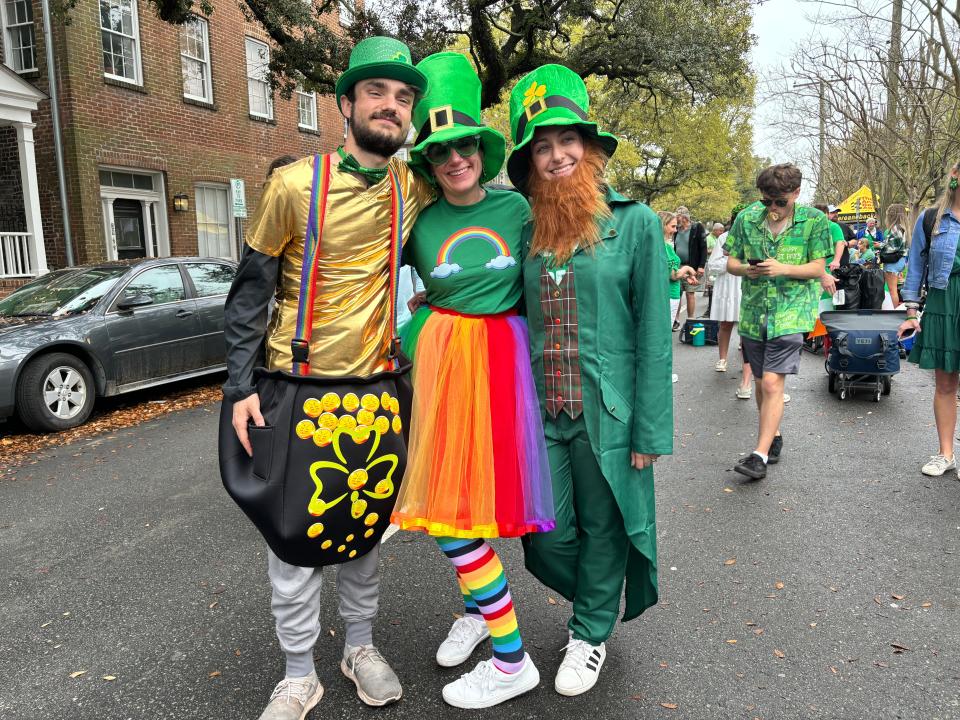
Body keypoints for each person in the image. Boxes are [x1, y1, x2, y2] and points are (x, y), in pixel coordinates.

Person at [221, 37, 435, 720]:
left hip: (376, 392)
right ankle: (297, 674)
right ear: (346, 102)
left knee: (366, 538)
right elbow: (250, 292)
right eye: (377, 92)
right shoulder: (292, 185)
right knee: (293, 542)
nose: (391, 106)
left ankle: (360, 648)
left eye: (403, 98)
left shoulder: (416, 189)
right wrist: (238, 386)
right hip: (295, 390)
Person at [389, 52, 552, 709]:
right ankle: (479, 614)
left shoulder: (520, 212)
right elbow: (373, 284)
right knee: (453, 510)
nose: (454, 158)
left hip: (501, 373)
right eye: (439, 152)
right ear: (427, 163)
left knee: (460, 519)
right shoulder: (419, 224)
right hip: (442, 370)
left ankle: (512, 661)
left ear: (480, 151)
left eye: (463, 146)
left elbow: (559, 288)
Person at [506, 64, 672, 696]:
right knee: (541, 529)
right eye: (542, 146)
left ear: (592, 149)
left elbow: (656, 338)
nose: (556, 156)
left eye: (568, 141)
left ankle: (590, 632)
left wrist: (649, 429)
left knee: (605, 526)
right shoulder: (525, 231)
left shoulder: (637, 225)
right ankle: (601, 593)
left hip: (609, 413)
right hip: (540, 413)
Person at [726, 163, 832, 480]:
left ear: (796, 194)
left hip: (792, 312)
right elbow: (731, 262)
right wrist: (748, 269)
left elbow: (818, 268)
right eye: (766, 201)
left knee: (772, 382)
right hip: (754, 312)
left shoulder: (814, 221)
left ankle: (758, 456)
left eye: (780, 202)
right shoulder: (746, 218)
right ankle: (773, 434)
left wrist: (782, 268)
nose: (773, 208)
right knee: (761, 383)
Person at [900, 161, 960, 479]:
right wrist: (911, 311)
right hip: (943, 302)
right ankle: (946, 453)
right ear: (955, 176)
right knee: (946, 384)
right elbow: (914, 268)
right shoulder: (931, 220)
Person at [706, 204, 753, 397]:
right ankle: (722, 358)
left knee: (746, 327)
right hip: (728, 285)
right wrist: (731, 262)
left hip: (746, 284)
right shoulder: (724, 238)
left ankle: (747, 364)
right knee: (725, 323)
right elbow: (714, 264)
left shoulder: (754, 236)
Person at [658, 210, 696, 383]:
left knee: (663, 335)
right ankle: (663, 373)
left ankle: (663, 371)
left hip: (670, 294)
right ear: (663, 225)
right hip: (669, 294)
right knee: (663, 337)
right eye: (672, 226)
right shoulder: (663, 246)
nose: (675, 230)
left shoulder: (664, 244)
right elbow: (672, 275)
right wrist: (687, 269)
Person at [672, 206, 708, 329]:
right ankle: (675, 320)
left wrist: (701, 266)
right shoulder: (676, 229)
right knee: (677, 292)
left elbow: (703, 247)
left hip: (691, 265)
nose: (677, 220)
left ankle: (690, 320)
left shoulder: (697, 227)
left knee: (690, 293)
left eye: (678, 217)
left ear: (685, 217)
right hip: (677, 265)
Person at [881, 203, 909, 308]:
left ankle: (893, 312)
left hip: (892, 263)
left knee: (892, 290)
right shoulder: (903, 228)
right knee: (894, 290)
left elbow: (890, 249)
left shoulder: (895, 229)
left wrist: (881, 248)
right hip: (900, 261)